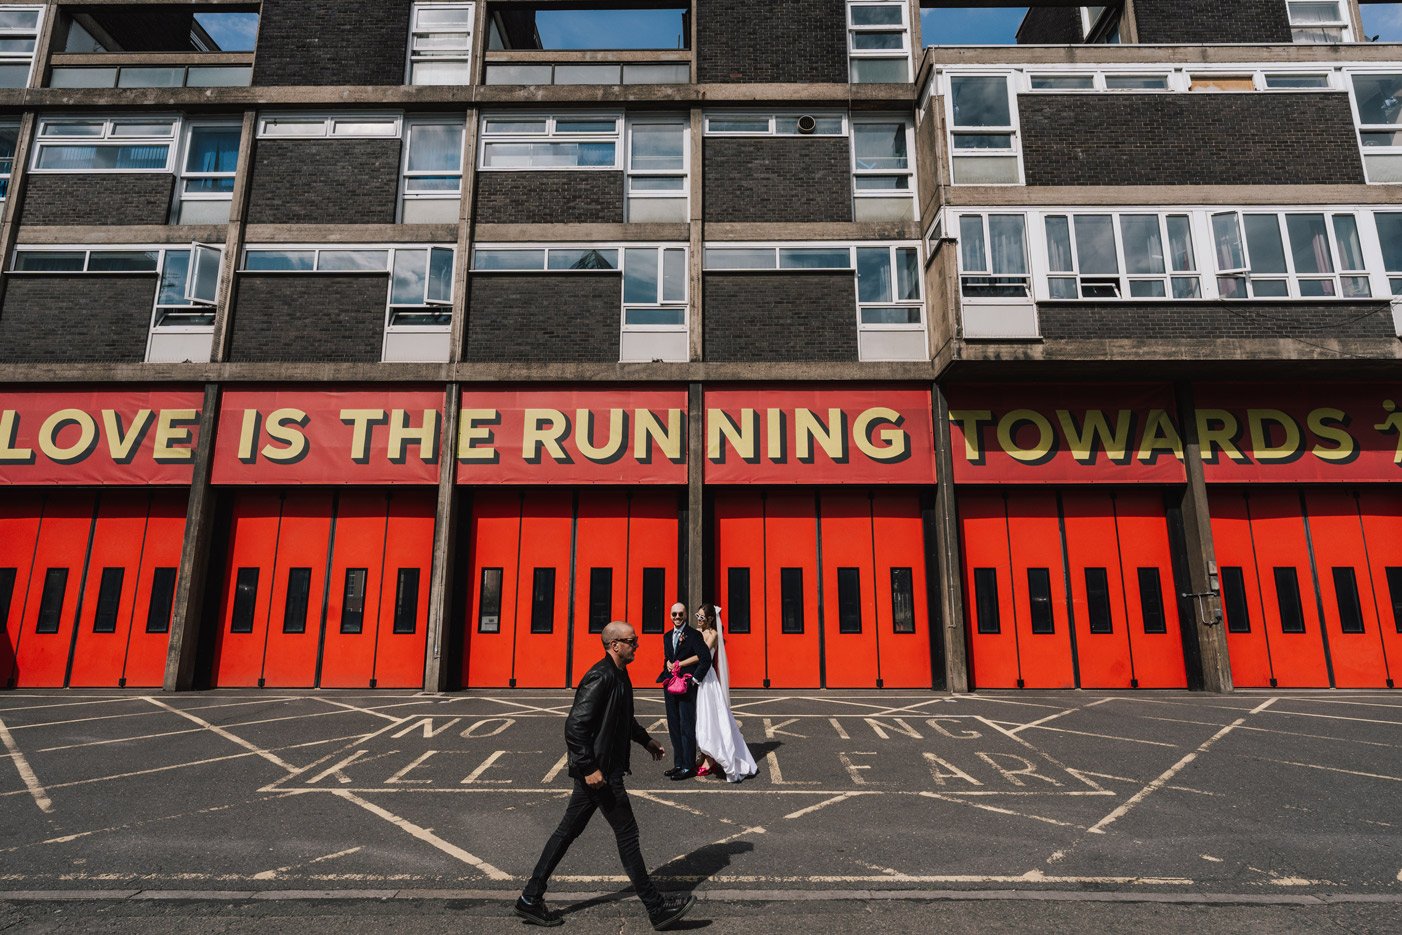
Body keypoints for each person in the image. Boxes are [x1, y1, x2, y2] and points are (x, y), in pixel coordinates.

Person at [515, 621, 696, 931]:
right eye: (631, 641)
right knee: (627, 835)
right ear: (615, 645)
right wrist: (589, 768)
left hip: (602, 771)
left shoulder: (619, 675)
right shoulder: (601, 676)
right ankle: (656, 908)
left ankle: (530, 898)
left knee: (567, 832)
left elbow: (621, 718)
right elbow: (574, 727)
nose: (636, 646)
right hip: (600, 774)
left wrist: (645, 740)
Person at [691, 604, 759, 782]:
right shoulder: (697, 631)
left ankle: (711, 757)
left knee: (710, 717)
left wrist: (680, 662)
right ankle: (705, 754)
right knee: (701, 717)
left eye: (702, 618)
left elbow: (701, 656)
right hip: (697, 677)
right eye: (697, 616)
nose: (698, 620)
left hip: (707, 679)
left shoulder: (712, 635)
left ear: (710, 619)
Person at [657, 601, 711, 781]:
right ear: (670, 616)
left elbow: (705, 659)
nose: (677, 617)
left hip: (687, 686)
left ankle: (688, 766)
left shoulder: (694, 635)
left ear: (686, 615)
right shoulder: (666, 636)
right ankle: (678, 764)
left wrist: (695, 680)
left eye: (681, 614)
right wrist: (666, 662)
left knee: (687, 726)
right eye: (674, 614)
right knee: (673, 726)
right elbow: (669, 656)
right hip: (670, 685)